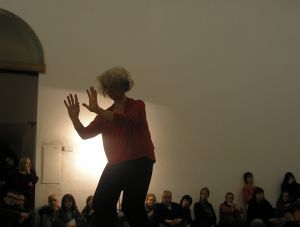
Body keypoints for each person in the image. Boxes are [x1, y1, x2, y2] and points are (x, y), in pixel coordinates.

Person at [64, 66, 156, 227]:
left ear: (123, 85)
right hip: (116, 163)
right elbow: (85, 134)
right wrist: (74, 119)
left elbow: (127, 121)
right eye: (106, 87)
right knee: (100, 204)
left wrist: (98, 110)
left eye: (112, 85)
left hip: (140, 160)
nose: (109, 89)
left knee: (131, 207)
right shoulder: (104, 116)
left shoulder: (137, 105)